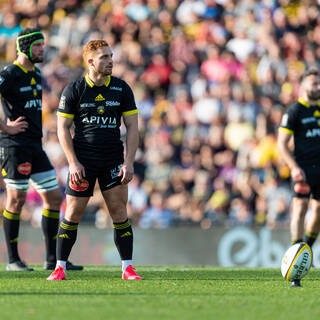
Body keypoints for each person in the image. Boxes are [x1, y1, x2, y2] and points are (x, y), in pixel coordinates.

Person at [47, 40, 142, 280]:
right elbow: (62, 128)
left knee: (119, 212)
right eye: (105, 57)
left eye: (111, 56)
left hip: (112, 160)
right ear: (90, 62)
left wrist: (128, 161)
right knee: (73, 214)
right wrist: (73, 162)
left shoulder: (121, 89)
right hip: (83, 161)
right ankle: (60, 267)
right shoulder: (74, 89)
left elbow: (132, 128)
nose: (111, 61)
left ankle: (127, 268)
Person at [0, 28, 83, 271]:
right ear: (24, 47)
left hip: (36, 145)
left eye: (42, 45)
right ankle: (13, 260)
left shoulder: (35, 72)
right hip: (15, 146)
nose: (42, 49)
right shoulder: (10, 73)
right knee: (16, 200)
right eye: (37, 46)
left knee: (55, 198)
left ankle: (51, 260)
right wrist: (5, 127)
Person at [278, 68, 320, 250]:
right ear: (303, 86)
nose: (318, 87)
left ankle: (307, 250)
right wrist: (294, 167)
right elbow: (282, 144)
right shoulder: (295, 111)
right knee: (300, 206)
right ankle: (296, 251)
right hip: (303, 168)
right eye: (315, 84)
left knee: (318, 210)